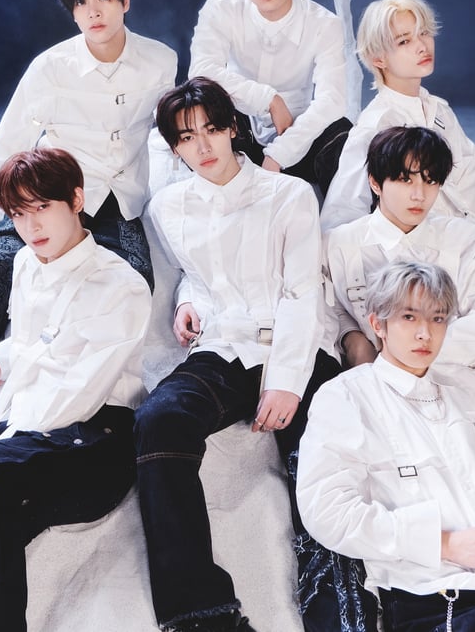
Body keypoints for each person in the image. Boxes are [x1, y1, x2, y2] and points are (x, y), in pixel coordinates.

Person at [0, 0, 176, 454]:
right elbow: (6, 145)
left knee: (128, 283)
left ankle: (81, 420)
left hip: (118, 201)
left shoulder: (161, 60)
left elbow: (165, 132)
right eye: (80, 3)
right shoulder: (51, 67)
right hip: (51, 191)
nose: (93, 11)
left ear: (126, 0)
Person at [134, 77, 341, 632]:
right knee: (159, 420)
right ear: (174, 148)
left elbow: (302, 292)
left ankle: (338, 616)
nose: (202, 146)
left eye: (211, 129)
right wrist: (189, 302)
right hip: (225, 347)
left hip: (298, 348)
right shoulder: (169, 206)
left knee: (321, 463)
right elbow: (195, 274)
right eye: (186, 138)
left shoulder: (289, 195)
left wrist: (287, 382)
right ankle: (201, 615)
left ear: (232, 129)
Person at [0, 148, 151, 631]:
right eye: (18, 214)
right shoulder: (28, 263)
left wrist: (6, 441)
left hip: (95, 443)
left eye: (42, 207)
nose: (32, 226)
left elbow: (82, 390)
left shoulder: (121, 285)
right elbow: (34, 337)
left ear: (76, 200)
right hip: (38, 441)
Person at [297, 261, 475, 632]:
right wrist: (445, 543)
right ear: (378, 324)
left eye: (438, 319)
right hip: (438, 598)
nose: (425, 333)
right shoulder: (345, 397)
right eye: (409, 317)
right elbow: (327, 511)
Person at [320, 0, 475, 332]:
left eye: (424, 33)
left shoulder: (439, 110)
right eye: (404, 41)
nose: (422, 46)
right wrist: (354, 327)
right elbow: (341, 221)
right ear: (378, 58)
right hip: (435, 273)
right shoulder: (375, 127)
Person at [324, 125, 475, 370]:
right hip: (375, 379)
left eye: (430, 180)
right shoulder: (338, 244)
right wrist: (352, 340)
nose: (419, 195)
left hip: (466, 370)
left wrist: (404, 362)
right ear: (375, 183)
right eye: (405, 180)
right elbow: (331, 310)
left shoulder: (466, 238)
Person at [188, 0, 350, 196]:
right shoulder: (221, 8)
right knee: (199, 116)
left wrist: (280, 153)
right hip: (241, 126)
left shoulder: (324, 24)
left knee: (344, 136)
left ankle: (333, 220)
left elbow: (331, 99)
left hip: (298, 130)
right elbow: (201, 71)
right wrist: (268, 99)